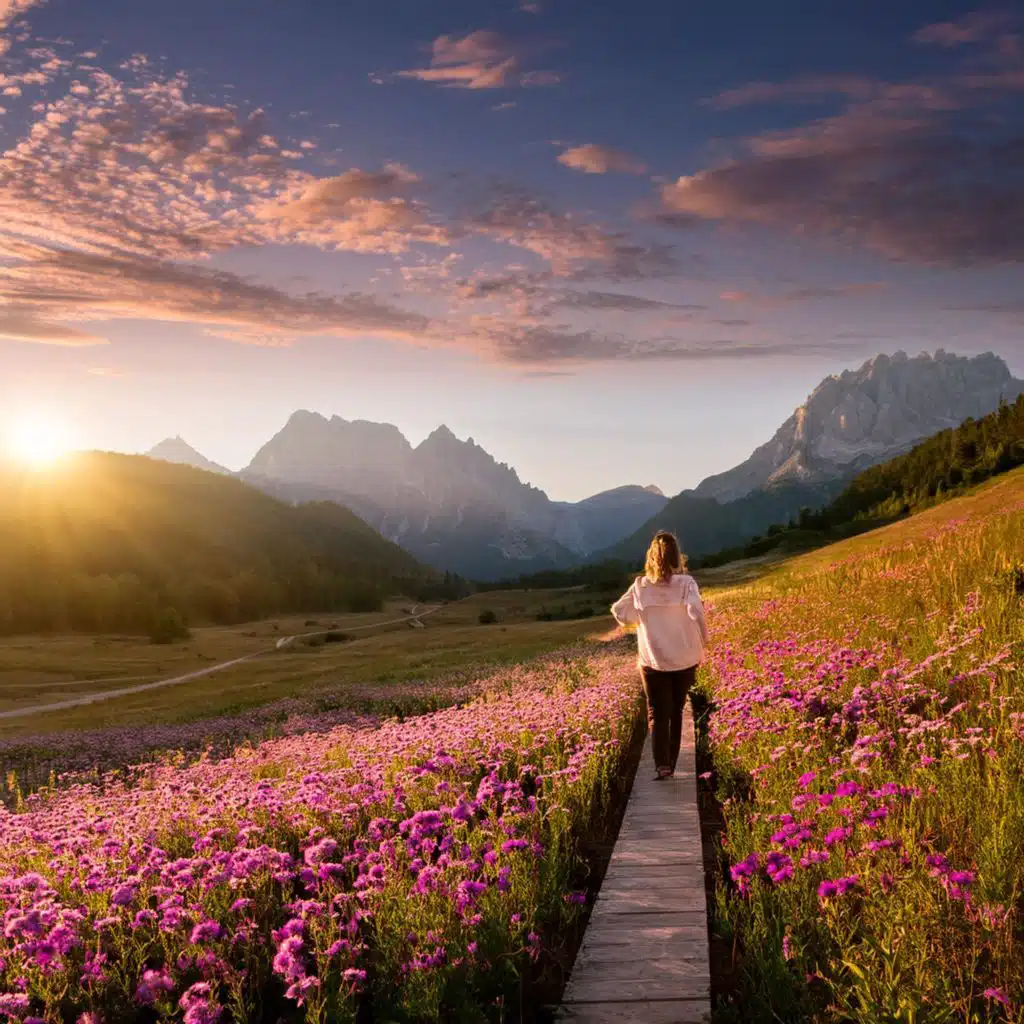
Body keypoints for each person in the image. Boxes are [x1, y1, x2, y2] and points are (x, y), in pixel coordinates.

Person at [610, 530, 708, 780]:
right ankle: (671, 761)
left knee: (657, 711)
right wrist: (704, 641)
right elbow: (696, 612)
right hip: (685, 657)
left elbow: (618, 611)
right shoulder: (687, 584)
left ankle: (662, 765)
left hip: (653, 660)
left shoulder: (640, 586)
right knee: (676, 710)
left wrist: (639, 618)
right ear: (677, 556)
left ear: (651, 557)